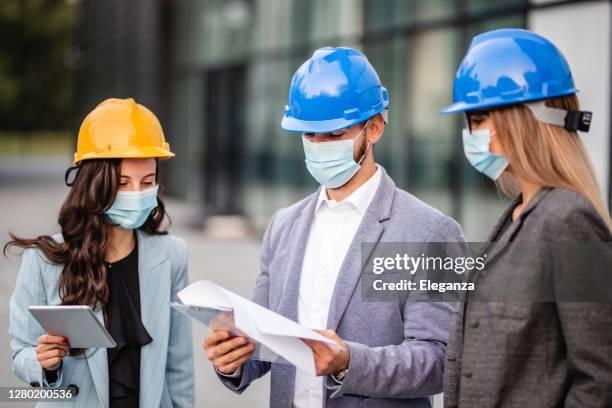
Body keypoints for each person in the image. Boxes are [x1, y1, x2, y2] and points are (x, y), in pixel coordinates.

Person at [203, 47, 464, 408]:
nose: (318, 146)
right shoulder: (283, 226)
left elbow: (439, 361)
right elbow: (263, 341)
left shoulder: (431, 232)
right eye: (309, 135)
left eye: (333, 135)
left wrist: (349, 362)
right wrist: (233, 358)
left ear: (374, 129)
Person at [440, 28, 612, 407]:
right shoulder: (513, 219)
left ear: (524, 121)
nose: (470, 134)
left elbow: (601, 379)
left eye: (479, 118)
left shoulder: (569, 220)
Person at [7, 98, 194, 407]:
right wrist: (45, 363)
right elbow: (21, 353)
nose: (137, 193)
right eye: (123, 183)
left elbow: (179, 366)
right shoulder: (42, 260)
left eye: (147, 182)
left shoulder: (172, 255)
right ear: (95, 184)